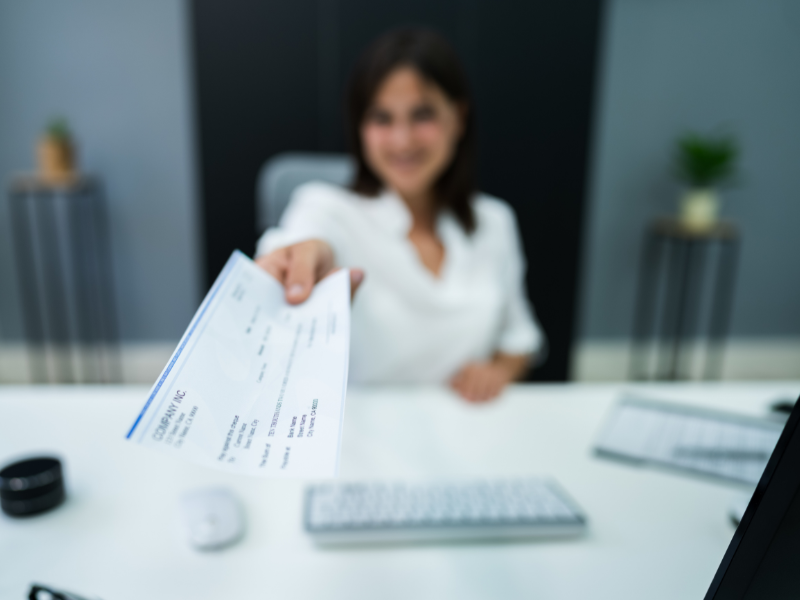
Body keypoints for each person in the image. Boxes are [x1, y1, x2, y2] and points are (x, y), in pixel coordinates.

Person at [256, 28, 545, 402]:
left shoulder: (494, 222)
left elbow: (520, 338)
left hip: (465, 425)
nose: (402, 140)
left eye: (422, 115)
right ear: (361, 128)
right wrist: (300, 262)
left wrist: (499, 372)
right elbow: (301, 243)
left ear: (458, 117)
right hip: (360, 430)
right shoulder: (325, 208)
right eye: (382, 118)